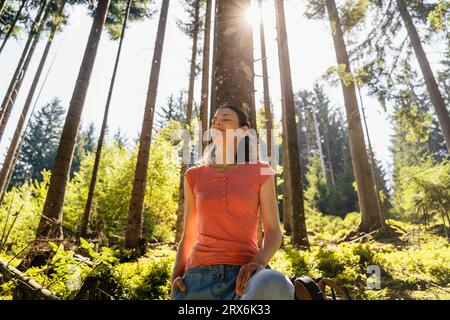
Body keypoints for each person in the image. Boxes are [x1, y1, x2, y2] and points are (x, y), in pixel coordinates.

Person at [171, 104, 294, 300]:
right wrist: (176, 275)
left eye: (226, 119)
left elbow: (273, 232)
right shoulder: (193, 175)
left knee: (276, 284)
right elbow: (189, 235)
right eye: (214, 121)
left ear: (243, 131)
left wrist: (259, 262)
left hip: (245, 278)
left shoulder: (260, 170)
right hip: (196, 280)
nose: (217, 122)